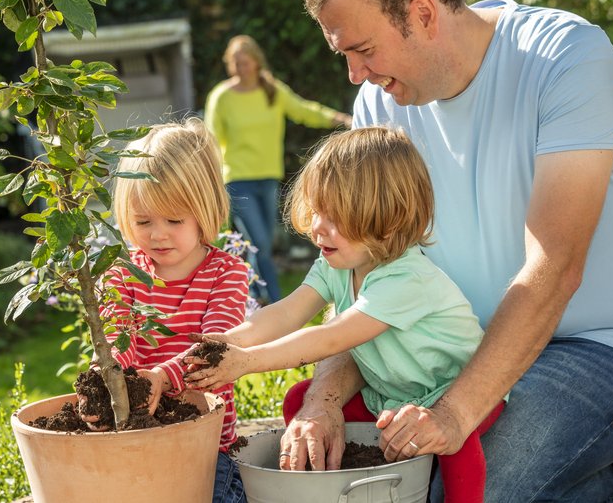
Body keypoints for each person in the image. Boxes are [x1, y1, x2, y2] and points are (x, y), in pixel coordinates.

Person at [281, 0, 613, 501]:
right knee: (394, 477)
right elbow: (366, 276)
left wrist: (453, 415)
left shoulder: (566, 57)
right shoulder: (378, 108)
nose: (354, 75)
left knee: (465, 488)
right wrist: (323, 399)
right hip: (466, 345)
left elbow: (555, 265)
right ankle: (610, 474)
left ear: (424, 14)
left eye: (363, 50)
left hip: (611, 346)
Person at [185, 127, 505, 503]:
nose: (318, 227)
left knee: (456, 446)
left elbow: (331, 338)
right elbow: (288, 312)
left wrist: (247, 362)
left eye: (334, 217)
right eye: (318, 210)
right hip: (392, 395)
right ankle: (323, 487)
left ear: (387, 222)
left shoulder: (406, 278)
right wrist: (229, 341)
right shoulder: (335, 263)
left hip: (452, 392)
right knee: (300, 401)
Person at [86, 120, 251, 503]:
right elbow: (116, 336)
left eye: (174, 220)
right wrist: (103, 374)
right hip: (134, 437)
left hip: (205, 448)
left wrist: (160, 377)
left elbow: (213, 348)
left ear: (204, 210)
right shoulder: (123, 272)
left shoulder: (226, 275)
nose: (157, 234)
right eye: (143, 221)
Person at [205, 34, 351, 304]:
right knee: (259, 241)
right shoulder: (221, 97)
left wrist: (339, 119)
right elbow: (211, 140)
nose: (241, 68)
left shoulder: (271, 91)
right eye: (235, 63)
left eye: (245, 62)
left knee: (257, 244)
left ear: (257, 62)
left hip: (268, 177)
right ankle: (274, 299)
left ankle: (250, 295)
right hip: (237, 179)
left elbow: (303, 110)